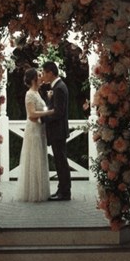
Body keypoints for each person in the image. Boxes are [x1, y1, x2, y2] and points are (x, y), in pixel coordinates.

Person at [17, 68, 53, 202]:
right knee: (34, 157)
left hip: (40, 129)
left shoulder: (37, 93)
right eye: (39, 75)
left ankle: (40, 190)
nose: (41, 77)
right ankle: (33, 192)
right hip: (34, 129)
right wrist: (49, 112)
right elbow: (32, 114)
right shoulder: (30, 94)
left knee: (40, 157)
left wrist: (49, 100)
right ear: (33, 79)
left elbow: (40, 109)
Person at [40, 61, 71, 201]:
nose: (43, 75)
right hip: (57, 131)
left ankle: (65, 192)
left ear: (51, 73)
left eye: (44, 73)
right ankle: (61, 189)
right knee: (60, 161)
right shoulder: (57, 86)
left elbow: (58, 112)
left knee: (61, 162)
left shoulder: (59, 88)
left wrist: (43, 118)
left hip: (58, 131)